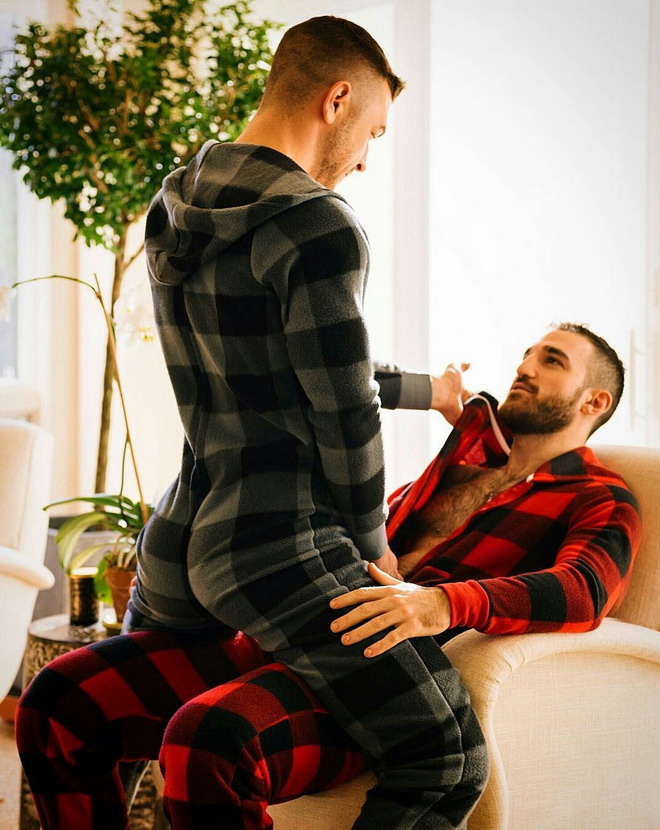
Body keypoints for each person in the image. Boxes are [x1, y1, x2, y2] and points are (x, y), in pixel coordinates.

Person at [17, 16, 488, 830]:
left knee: (78, 711)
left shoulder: (176, 202)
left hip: (183, 539)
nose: (365, 158)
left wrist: (430, 390)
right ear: (336, 100)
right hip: (279, 544)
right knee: (446, 758)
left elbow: (286, 365)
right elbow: (341, 407)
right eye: (372, 131)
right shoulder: (316, 223)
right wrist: (371, 542)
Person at [16, 324, 640, 830]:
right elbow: (338, 384)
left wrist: (438, 605)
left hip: (376, 679)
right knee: (59, 700)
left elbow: (584, 589)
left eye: (552, 360)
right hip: (294, 632)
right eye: (527, 352)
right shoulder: (456, 470)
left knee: (210, 736)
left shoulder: (598, 496)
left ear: (595, 402)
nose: (525, 366)